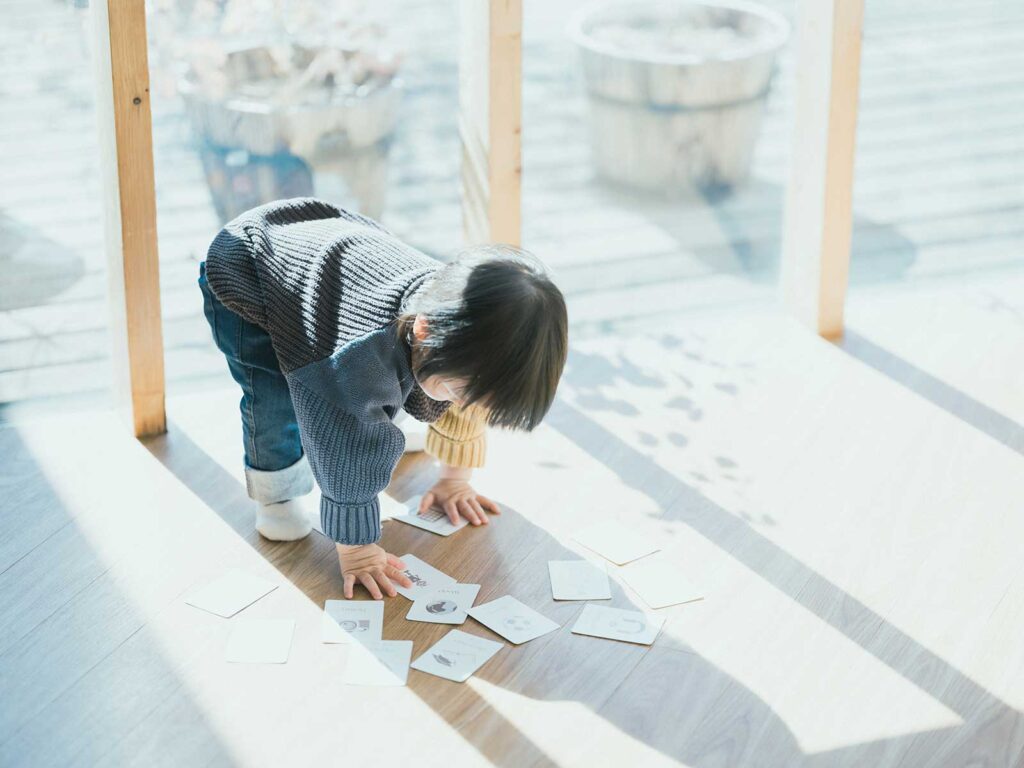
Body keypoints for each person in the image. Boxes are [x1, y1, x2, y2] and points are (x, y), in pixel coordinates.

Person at [198, 198, 568, 600]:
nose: (465, 406)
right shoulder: (357, 364)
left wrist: (455, 480)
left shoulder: (468, 341)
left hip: (331, 247)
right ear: (425, 331)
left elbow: (468, 405)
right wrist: (356, 551)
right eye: (462, 395)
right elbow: (343, 448)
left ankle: (395, 410)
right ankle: (278, 491)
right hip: (248, 271)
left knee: (421, 390)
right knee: (271, 396)